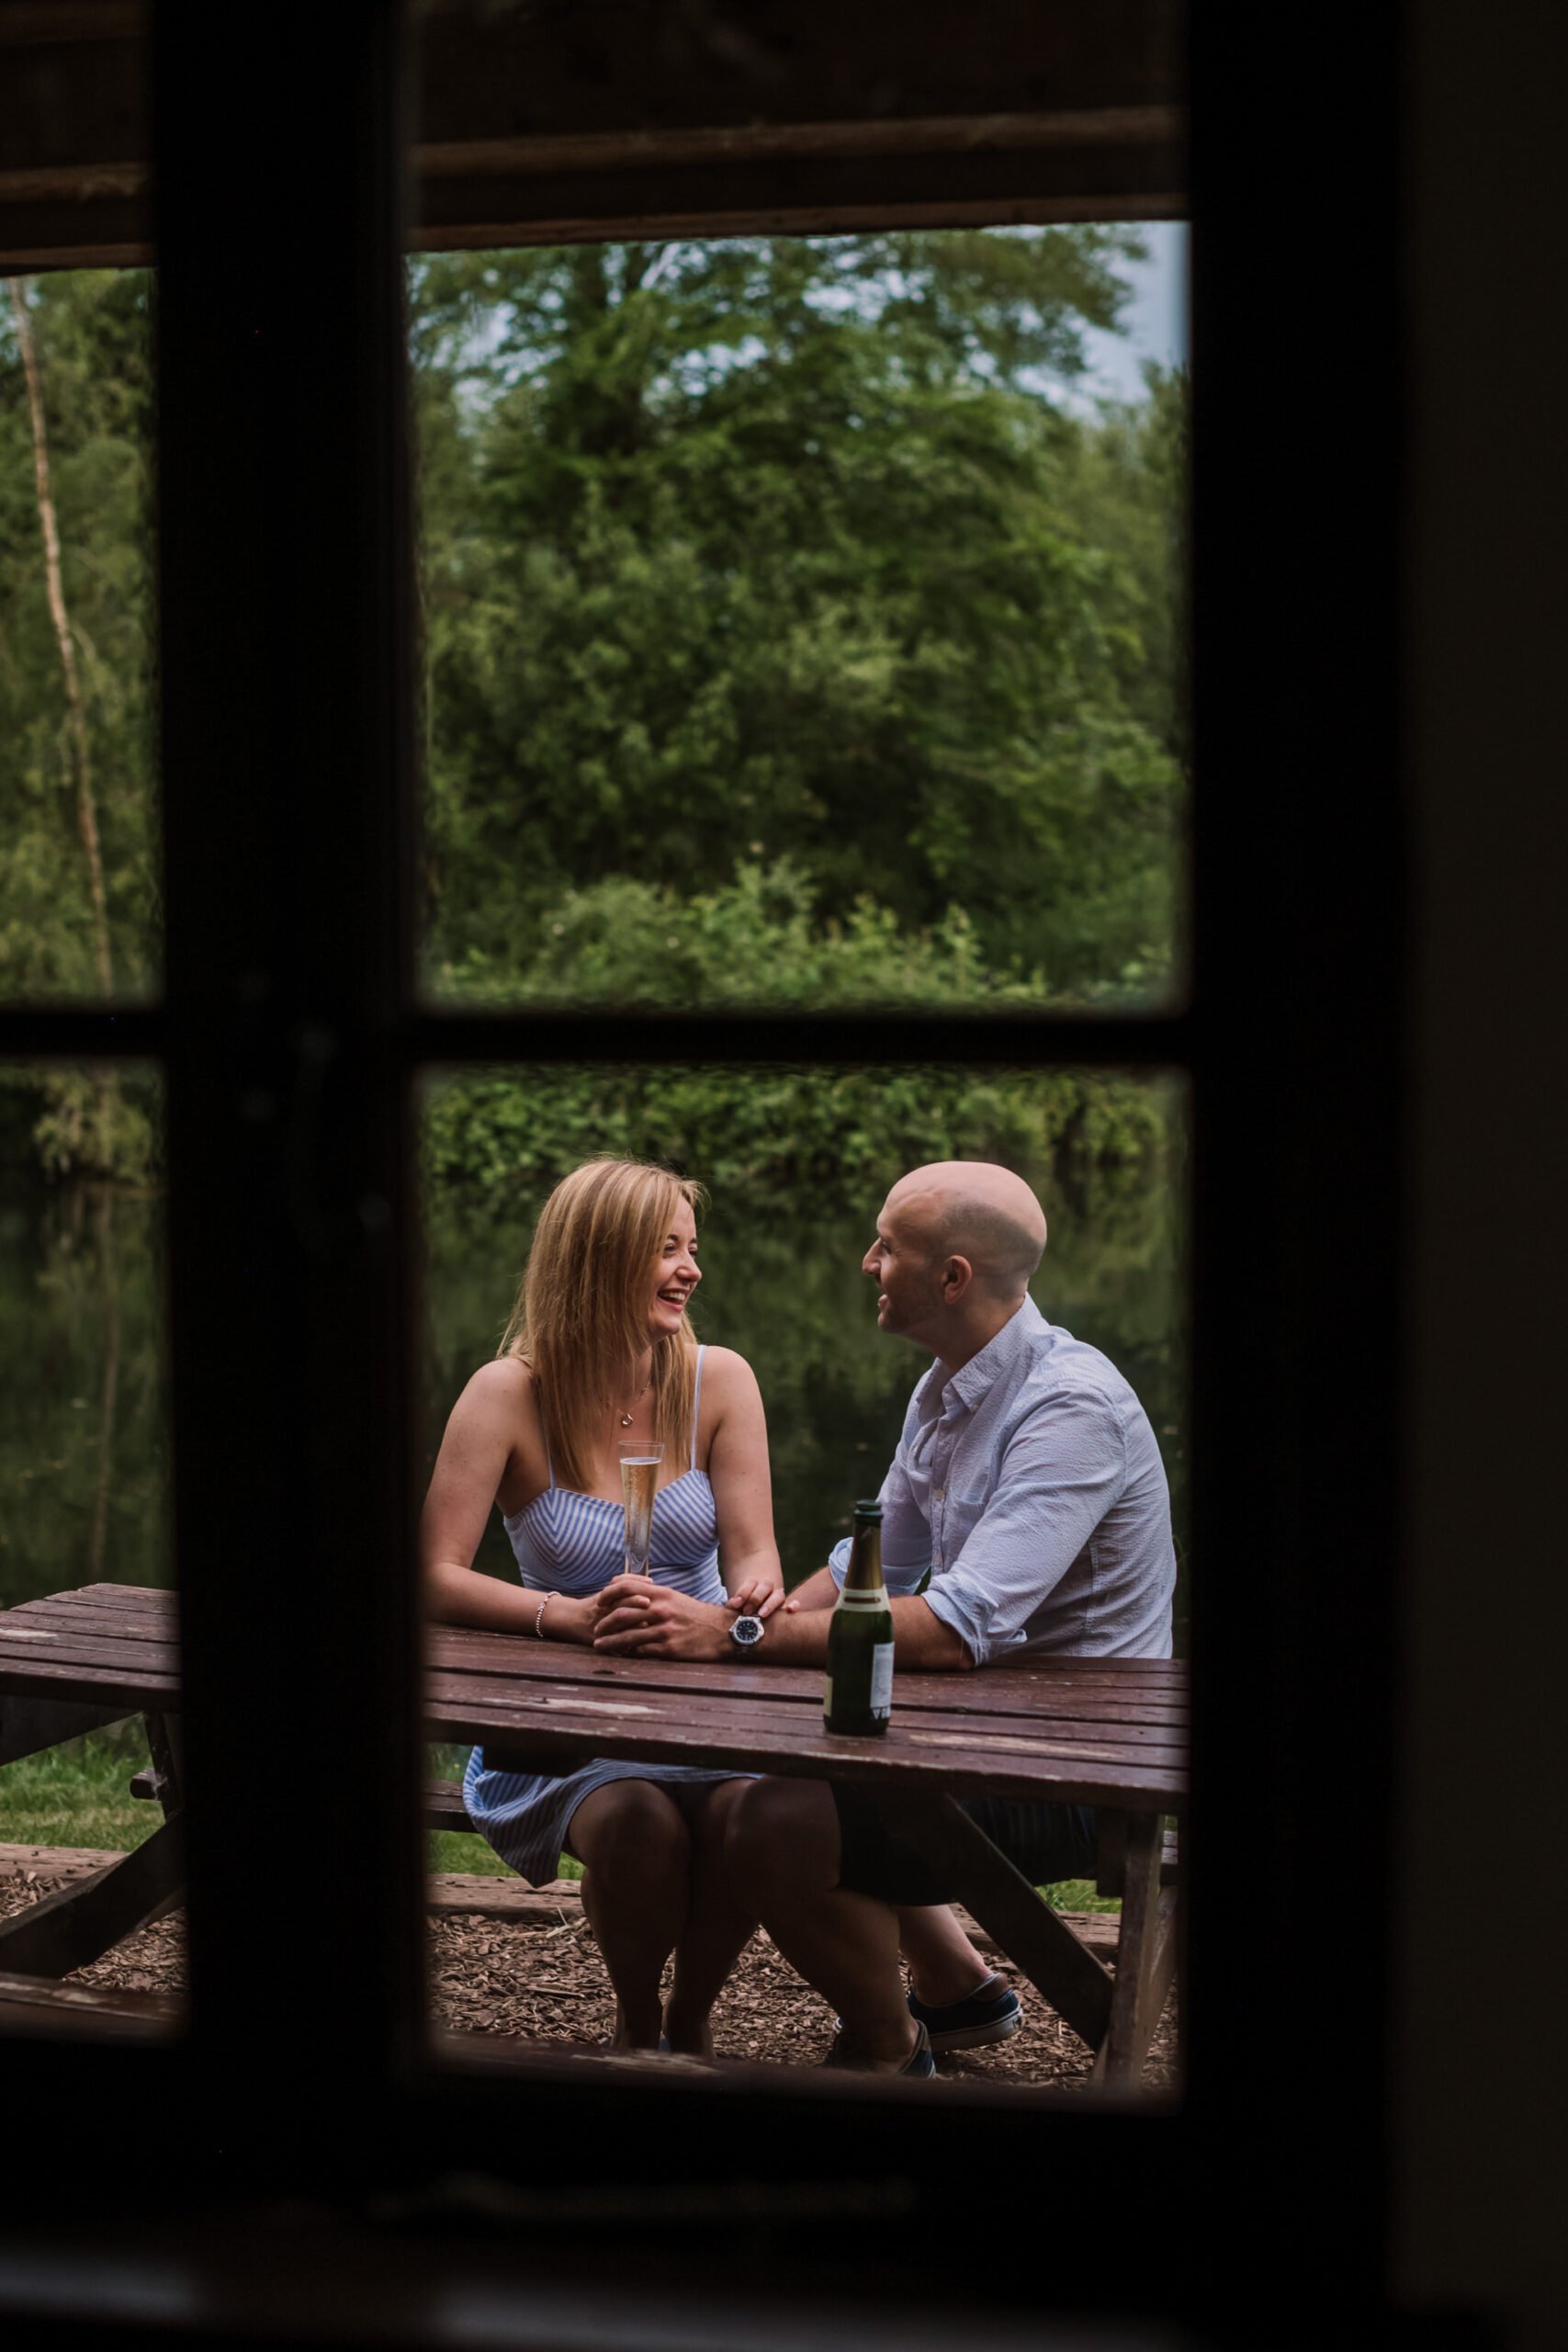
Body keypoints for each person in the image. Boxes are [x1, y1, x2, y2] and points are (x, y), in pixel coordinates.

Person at [593, 1159, 1176, 2075]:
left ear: (953, 1278)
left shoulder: (1072, 1409)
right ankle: (953, 1994)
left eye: (887, 1247)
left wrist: (734, 1635)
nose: (867, 1262)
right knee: (757, 1764)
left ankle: (890, 2047)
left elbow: (951, 1629)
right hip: (981, 1724)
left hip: (1074, 1769)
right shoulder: (947, 1387)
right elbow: (873, 1567)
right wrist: (760, 1615)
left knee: (766, 1819)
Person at [422, 1157, 784, 2055]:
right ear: (598, 1256)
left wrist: (749, 1604)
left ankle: (692, 2016)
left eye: (692, 1247)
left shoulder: (722, 1380)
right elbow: (429, 1575)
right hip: (561, 1717)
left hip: (707, 1698)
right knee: (636, 1825)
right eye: (665, 1248)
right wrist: (566, 1616)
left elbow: (757, 1556)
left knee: (755, 1815)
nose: (690, 1268)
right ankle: (635, 2018)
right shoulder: (508, 1393)